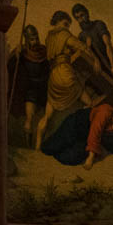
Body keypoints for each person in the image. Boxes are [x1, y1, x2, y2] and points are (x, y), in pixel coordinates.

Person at [35, 10, 95, 148]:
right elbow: (81, 47)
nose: (67, 27)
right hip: (65, 74)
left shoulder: (49, 37)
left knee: (47, 115)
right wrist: (94, 58)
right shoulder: (64, 34)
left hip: (53, 77)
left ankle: (37, 146)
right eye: (66, 24)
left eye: (68, 25)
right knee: (90, 104)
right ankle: (82, 140)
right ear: (58, 21)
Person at [40, 101, 113, 169]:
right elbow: (96, 130)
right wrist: (91, 158)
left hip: (85, 135)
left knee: (73, 157)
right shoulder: (107, 111)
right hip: (77, 123)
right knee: (53, 146)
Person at [7, 24, 50, 139]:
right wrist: (16, 56)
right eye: (32, 39)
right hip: (29, 87)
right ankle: (28, 129)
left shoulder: (43, 51)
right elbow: (11, 67)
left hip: (44, 86)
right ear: (27, 40)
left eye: (36, 38)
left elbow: (48, 67)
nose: (35, 41)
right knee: (30, 111)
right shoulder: (22, 52)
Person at [72, 2, 113, 82]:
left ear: (87, 13)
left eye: (82, 15)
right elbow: (87, 53)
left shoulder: (98, 25)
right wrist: (95, 59)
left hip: (111, 64)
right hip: (100, 71)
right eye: (78, 18)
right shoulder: (81, 36)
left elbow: (108, 44)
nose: (81, 20)